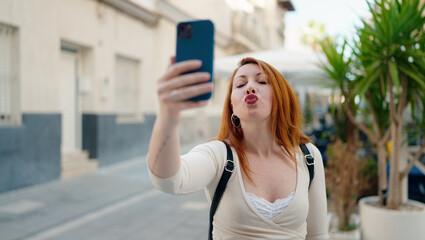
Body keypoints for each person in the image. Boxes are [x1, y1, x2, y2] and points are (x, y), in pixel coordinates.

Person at [148, 57, 329, 239]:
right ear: (232, 105)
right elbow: (169, 181)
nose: (250, 87)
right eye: (240, 85)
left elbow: (318, 235)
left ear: (281, 96)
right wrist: (168, 116)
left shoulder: (308, 156)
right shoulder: (220, 155)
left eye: (262, 81)